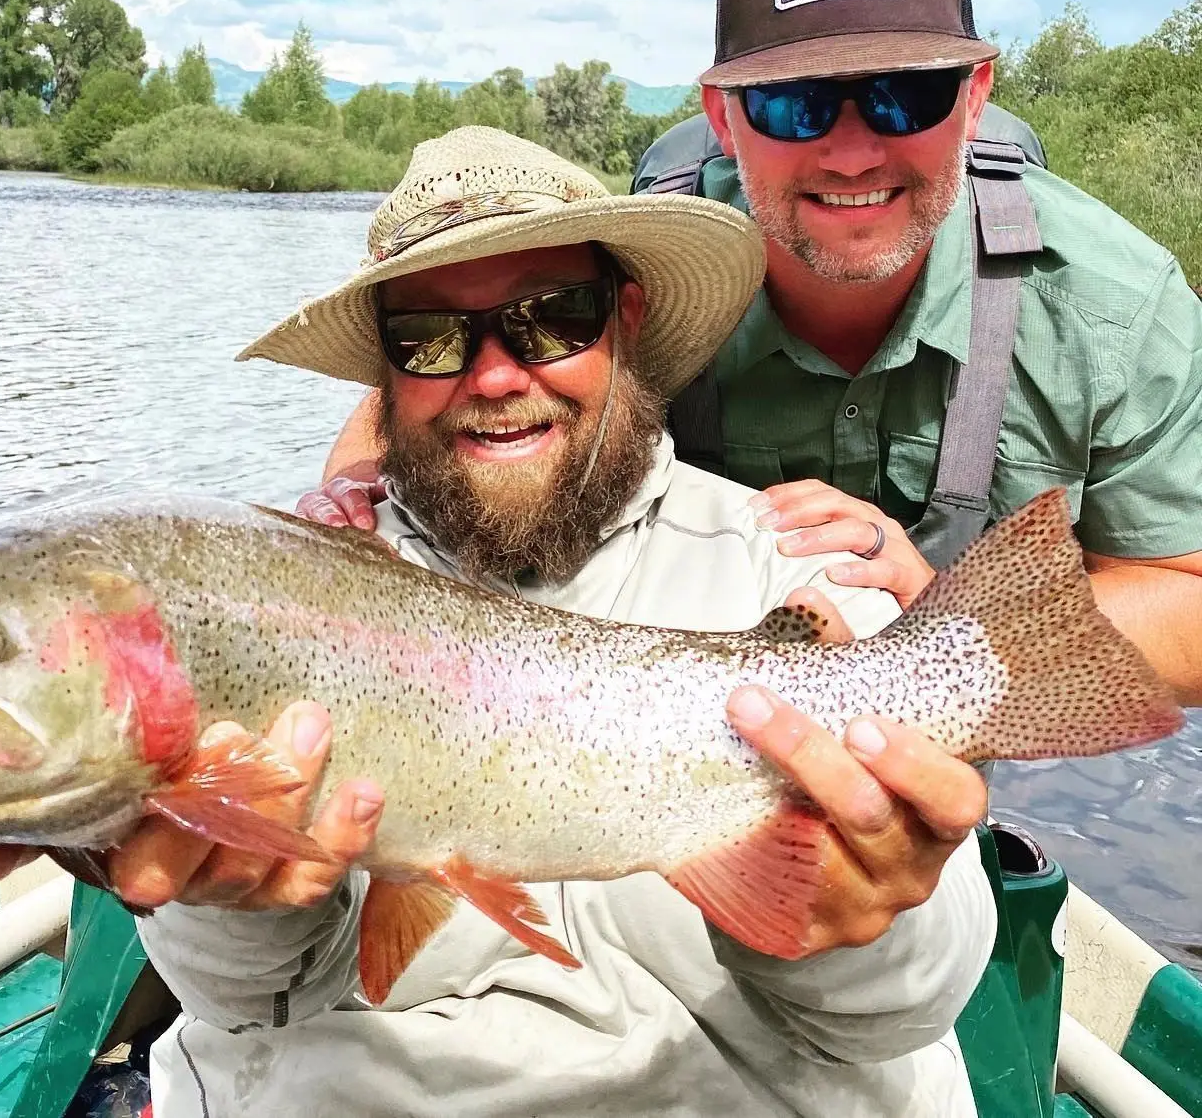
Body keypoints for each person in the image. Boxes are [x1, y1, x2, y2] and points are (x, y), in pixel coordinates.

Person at [73, 127, 991, 1117]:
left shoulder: (799, 566)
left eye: (553, 319)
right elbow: (247, 996)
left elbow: (907, 1012)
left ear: (626, 320)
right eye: (430, 336)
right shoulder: (284, 601)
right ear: (384, 370)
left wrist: (863, 918)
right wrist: (228, 900)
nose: (498, 374)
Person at [310, 0, 1202, 706]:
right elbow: (449, 374)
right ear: (720, 117)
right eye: (792, 106)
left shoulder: (1115, 308)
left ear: (975, 99)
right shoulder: (656, 272)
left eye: (907, 97)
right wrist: (356, 509)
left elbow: (1190, 607)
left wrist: (943, 624)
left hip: (951, 729)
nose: (852, 152)